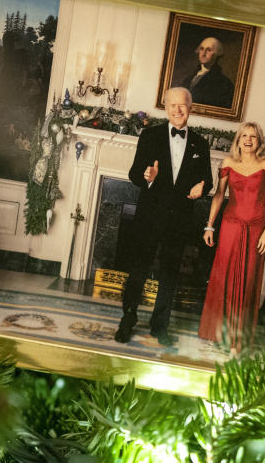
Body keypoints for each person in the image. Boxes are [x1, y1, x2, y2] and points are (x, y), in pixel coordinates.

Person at [115, 87, 214, 345]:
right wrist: (148, 177)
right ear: (166, 108)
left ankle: (160, 326)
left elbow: (208, 182)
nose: (177, 110)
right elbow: (134, 174)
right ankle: (128, 318)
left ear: (190, 109)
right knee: (139, 269)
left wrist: (201, 188)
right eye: (173, 105)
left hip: (179, 220)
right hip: (149, 216)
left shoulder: (200, 144)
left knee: (170, 273)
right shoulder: (150, 136)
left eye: (182, 105)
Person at [198, 122, 265, 353]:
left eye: (253, 136)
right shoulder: (228, 163)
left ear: (259, 140)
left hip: (255, 227)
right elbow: (219, 195)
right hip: (230, 225)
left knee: (247, 280)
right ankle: (218, 333)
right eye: (244, 135)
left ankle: (238, 341)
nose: (248, 140)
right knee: (223, 277)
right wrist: (210, 226)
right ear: (238, 139)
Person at [179, 36, 235, 108]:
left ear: (217, 54)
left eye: (209, 50)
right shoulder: (189, 78)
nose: (203, 53)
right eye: (201, 49)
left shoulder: (224, 83)